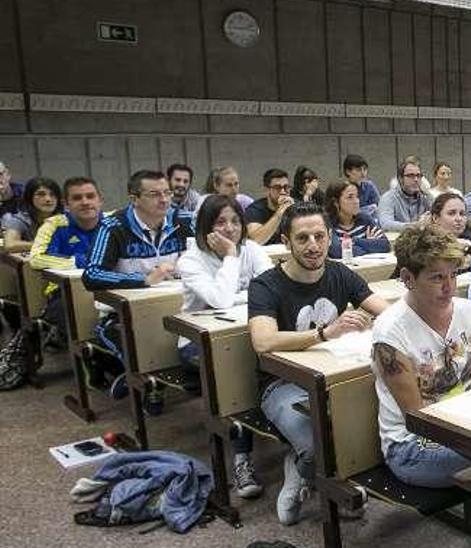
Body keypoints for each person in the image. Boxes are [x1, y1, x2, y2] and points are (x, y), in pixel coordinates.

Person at [248, 202, 389, 525]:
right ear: (286, 241)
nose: (313, 245)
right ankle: (301, 470)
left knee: (370, 432)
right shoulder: (266, 284)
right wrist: (326, 333)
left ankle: (309, 470)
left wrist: (377, 320)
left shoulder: (339, 272)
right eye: (302, 238)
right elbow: (263, 341)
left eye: (319, 236)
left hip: (334, 377)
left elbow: (386, 310)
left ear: (330, 238)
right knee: (315, 447)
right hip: (282, 386)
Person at [371, 224, 471, 487]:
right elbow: (418, 420)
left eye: (454, 275)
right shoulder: (390, 332)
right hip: (412, 446)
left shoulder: (469, 313)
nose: (449, 287)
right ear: (407, 278)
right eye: (437, 278)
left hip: (468, 426)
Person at [175, 194, 273, 499]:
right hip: (197, 344)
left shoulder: (254, 249)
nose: (230, 228)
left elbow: (272, 290)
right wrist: (230, 257)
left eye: (235, 221)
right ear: (206, 226)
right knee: (238, 378)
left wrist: (243, 294)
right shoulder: (191, 259)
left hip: (247, 336)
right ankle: (242, 458)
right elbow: (219, 300)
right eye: (221, 222)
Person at [85, 170, 195, 412]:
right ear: (134, 198)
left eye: (166, 193)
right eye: (154, 194)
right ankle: (144, 381)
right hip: (124, 314)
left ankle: (148, 375)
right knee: (139, 348)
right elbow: (91, 274)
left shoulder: (183, 220)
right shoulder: (113, 226)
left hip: (175, 307)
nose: (164, 199)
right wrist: (143, 279)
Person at [29, 177, 104, 351]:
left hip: (107, 287)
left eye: (90, 196)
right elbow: (36, 258)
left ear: (100, 200)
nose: (85, 202)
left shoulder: (114, 223)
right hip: (64, 293)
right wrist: (75, 261)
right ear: (66, 204)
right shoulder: (54, 225)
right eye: (77, 198)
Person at [324, 180, 390, 259]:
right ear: (335, 202)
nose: (356, 201)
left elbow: (385, 245)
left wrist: (355, 241)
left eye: (357, 196)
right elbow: (337, 251)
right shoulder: (328, 223)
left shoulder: (365, 219)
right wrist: (369, 244)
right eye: (350, 197)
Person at [2, 177, 62, 252]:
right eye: (41, 194)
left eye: (52, 195)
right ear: (30, 198)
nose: (48, 199)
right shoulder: (20, 219)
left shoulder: (68, 217)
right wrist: (46, 245)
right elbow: (10, 245)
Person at [244, 168, 295, 245]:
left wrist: (295, 213)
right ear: (266, 190)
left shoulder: (295, 206)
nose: (283, 192)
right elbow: (256, 240)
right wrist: (279, 213)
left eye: (286, 187)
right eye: (277, 188)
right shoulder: (254, 210)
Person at [377, 159, 430, 232]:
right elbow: (386, 224)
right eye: (411, 176)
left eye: (418, 175)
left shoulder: (426, 197)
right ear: (400, 178)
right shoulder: (388, 198)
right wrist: (414, 226)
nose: (416, 179)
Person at [430, 193, 471, 266]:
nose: (459, 219)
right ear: (436, 218)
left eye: (462, 214)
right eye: (451, 213)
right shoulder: (427, 247)